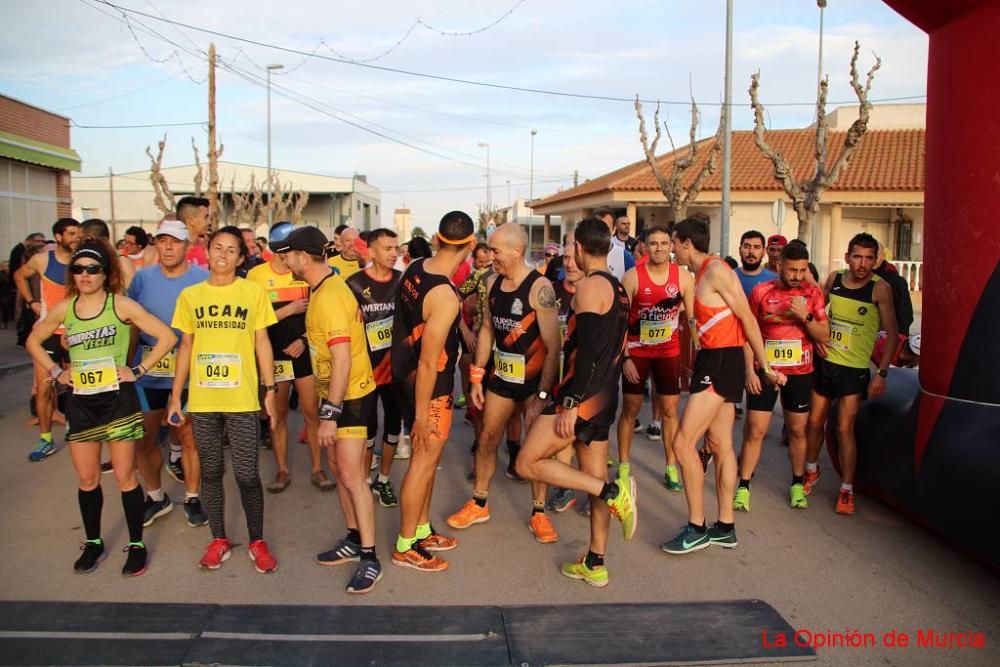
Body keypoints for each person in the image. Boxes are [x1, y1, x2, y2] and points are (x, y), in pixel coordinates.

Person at [26, 238, 177, 575]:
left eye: (92, 269)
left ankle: (136, 544)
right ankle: (93, 542)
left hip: (118, 401)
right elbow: (34, 341)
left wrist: (137, 370)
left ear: (105, 273)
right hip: (81, 403)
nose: (84, 274)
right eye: (77, 269)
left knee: (125, 476)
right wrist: (55, 372)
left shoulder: (120, 305)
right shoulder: (65, 309)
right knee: (87, 478)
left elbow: (167, 337)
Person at [515, 217, 637, 588]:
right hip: (605, 398)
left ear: (581, 248)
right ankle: (596, 561)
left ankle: (612, 491)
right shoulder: (619, 290)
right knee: (591, 475)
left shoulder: (587, 289)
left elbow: (586, 357)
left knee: (526, 463)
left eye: (572, 249)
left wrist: (570, 402)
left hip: (581, 398)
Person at [661, 218, 786, 555]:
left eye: (674, 242)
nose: (672, 249)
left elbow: (747, 317)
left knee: (683, 443)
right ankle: (726, 525)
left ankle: (697, 526)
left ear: (687, 243)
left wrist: (766, 367)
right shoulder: (699, 274)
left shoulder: (716, 271)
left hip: (721, 362)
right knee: (719, 444)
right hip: (713, 359)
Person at [167, 226, 280, 574]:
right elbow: (185, 346)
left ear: (241, 258)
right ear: (208, 250)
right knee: (211, 472)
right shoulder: (190, 296)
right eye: (218, 247)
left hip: (243, 398)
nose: (224, 255)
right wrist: (175, 398)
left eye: (232, 250)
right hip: (202, 401)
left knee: (247, 474)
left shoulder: (252, 292)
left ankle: (256, 540)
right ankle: (218, 539)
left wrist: (270, 391)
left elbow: (262, 342)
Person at [278, 226, 382, 593]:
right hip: (336, 395)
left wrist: (329, 413)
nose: (283, 260)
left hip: (350, 397)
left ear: (303, 258)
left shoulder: (331, 295)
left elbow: (341, 359)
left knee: (353, 476)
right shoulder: (321, 290)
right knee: (339, 470)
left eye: (287, 254)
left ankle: (370, 557)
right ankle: (354, 538)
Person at [446, 223, 562, 543]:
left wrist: (541, 393)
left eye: (496, 251)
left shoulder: (541, 288)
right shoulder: (492, 283)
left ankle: (539, 513)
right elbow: (486, 332)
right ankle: (479, 503)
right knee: (486, 438)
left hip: (535, 382)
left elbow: (554, 345)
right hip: (501, 377)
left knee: (536, 450)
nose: (490, 256)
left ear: (516, 251)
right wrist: (477, 377)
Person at [391, 211, 475, 572]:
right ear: (470, 246)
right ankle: (406, 544)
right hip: (429, 387)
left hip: (405, 377)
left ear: (438, 239)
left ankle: (422, 530)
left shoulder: (416, 267)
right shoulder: (445, 297)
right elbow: (429, 361)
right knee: (422, 464)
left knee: (428, 465)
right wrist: (423, 417)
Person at [805, 233, 898, 515]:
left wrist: (881, 373)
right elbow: (818, 314)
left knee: (845, 429)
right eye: (858, 256)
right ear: (847, 257)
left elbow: (892, 334)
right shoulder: (834, 280)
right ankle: (811, 470)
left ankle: (847, 489)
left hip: (854, 369)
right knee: (814, 422)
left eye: (869, 258)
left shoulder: (880, 289)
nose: (863, 263)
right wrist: (817, 339)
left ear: (876, 260)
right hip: (825, 363)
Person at [734, 242, 829, 512]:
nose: (797, 276)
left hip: (800, 372)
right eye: (792, 270)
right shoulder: (761, 291)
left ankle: (797, 483)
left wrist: (806, 316)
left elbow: (824, 334)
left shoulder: (812, 293)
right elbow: (747, 334)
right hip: (766, 370)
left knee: (798, 430)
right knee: (756, 429)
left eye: (802, 270)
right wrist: (750, 370)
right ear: (779, 266)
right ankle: (743, 486)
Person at [127, 220, 210, 529]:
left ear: (187, 245)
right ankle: (156, 496)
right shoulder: (141, 279)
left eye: (174, 241)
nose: (168, 247)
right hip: (148, 371)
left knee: (190, 438)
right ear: (156, 245)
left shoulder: (203, 279)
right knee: (144, 440)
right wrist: (128, 365)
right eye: (162, 241)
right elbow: (130, 323)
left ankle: (191, 497)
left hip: (190, 370)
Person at [246, 223, 328, 494]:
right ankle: (282, 470)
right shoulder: (256, 276)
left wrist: (303, 340)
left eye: (290, 249)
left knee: (311, 411)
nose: (286, 255)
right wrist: (288, 310)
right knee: (277, 415)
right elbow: (252, 321)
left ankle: (318, 468)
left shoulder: (306, 274)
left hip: (304, 352)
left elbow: (319, 315)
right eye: (282, 249)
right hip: (274, 353)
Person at [617, 224, 695, 491]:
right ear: (645, 246)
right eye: (654, 244)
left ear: (671, 246)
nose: (659, 248)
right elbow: (620, 321)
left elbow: (693, 318)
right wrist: (625, 357)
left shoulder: (683, 278)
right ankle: (624, 465)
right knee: (630, 408)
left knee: (671, 411)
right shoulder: (632, 277)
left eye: (664, 243)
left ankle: (671, 465)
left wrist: (700, 352)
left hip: (668, 352)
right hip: (637, 352)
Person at [345, 228, 403, 508]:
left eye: (396, 248)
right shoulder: (353, 284)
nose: (394, 253)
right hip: (364, 373)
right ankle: (365, 482)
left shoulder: (403, 282)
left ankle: (383, 478)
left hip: (395, 372)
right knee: (367, 431)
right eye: (388, 248)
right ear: (371, 251)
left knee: (393, 427)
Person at [15, 217, 81, 461]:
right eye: (72, 233)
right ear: (59, 236)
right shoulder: (43, 260)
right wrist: (31, 302)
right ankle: (45, 439)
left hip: (76, 333)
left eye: (78, 233)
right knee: (44, 388)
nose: (76, 238)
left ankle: (74, 429)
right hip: (48, 333)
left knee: (78, 386)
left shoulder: (82, 262)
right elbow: (19, 275)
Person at [143, 198, 211, 269]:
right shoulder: (169, 251)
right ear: (191, 220)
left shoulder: (202, 249)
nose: (209, 222)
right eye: (205, 217)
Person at [80, 219, 135, 287]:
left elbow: (133, 293)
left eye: (80, 239)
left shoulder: (121, 263)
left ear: (88, 238)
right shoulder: (81, 262)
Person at [593, 208, 636, 280]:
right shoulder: (581, 254)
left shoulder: (625, 258)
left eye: (606, 228)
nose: (601, 231)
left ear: (613, 229)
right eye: (598, 227)